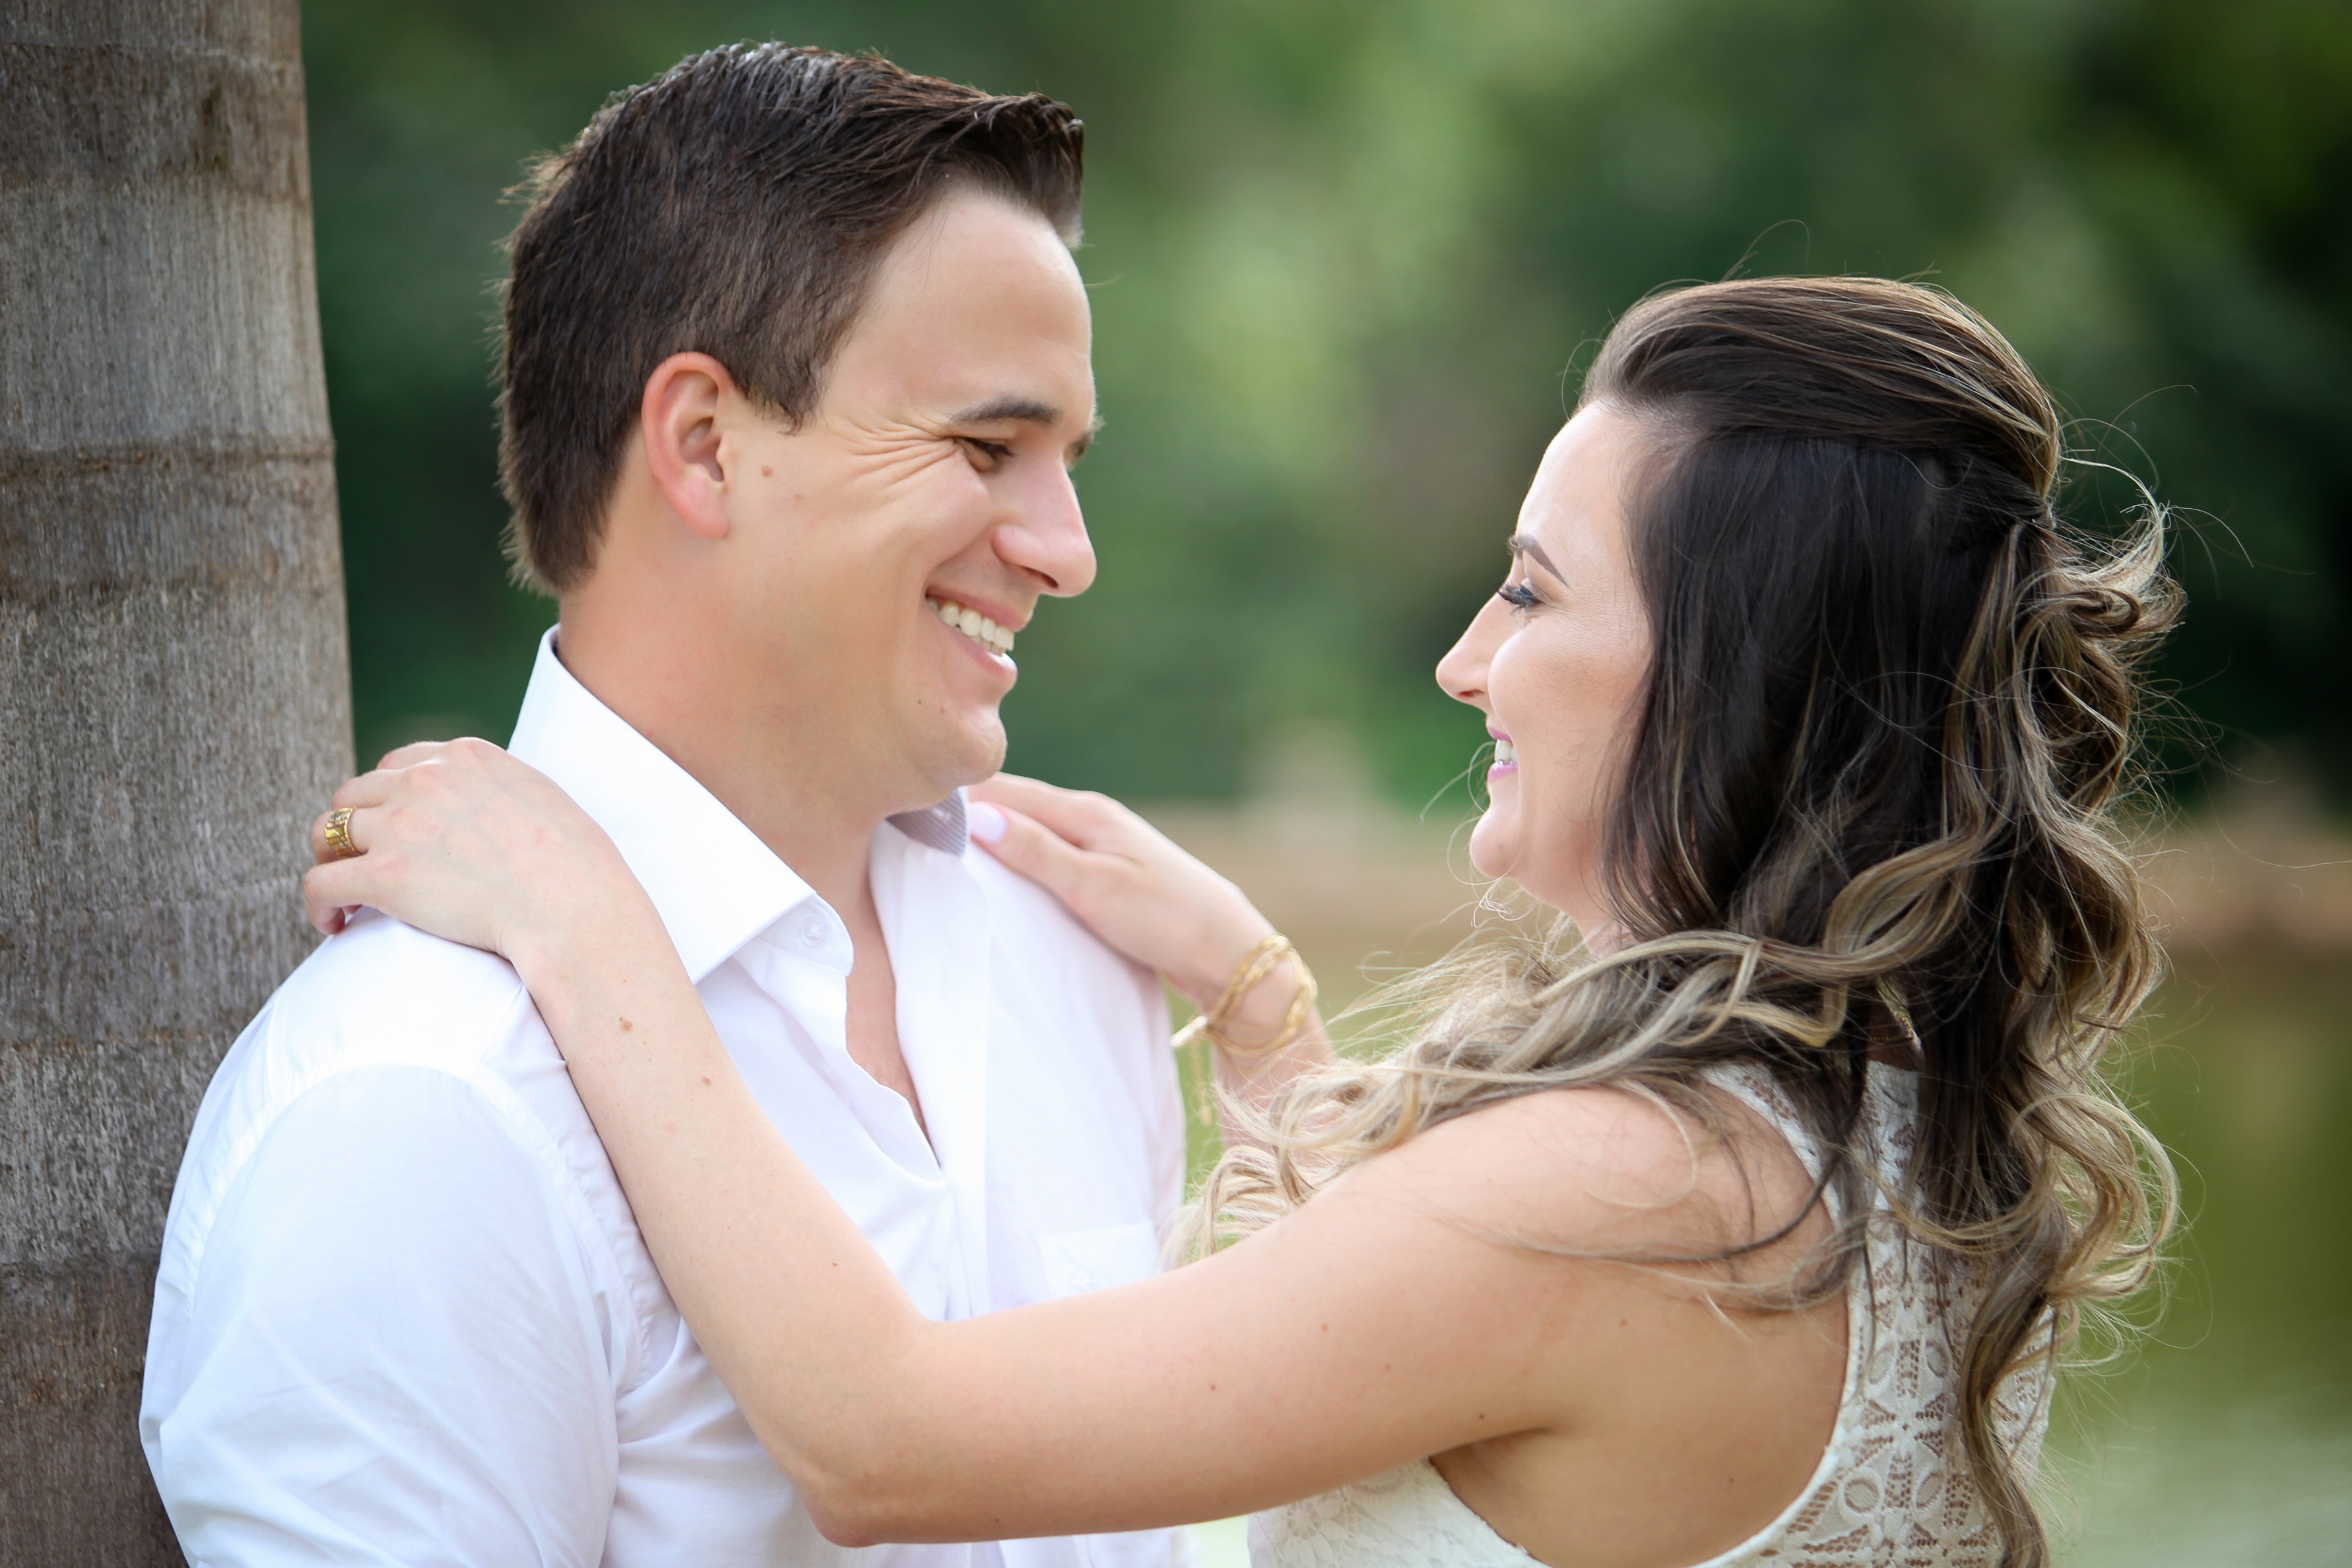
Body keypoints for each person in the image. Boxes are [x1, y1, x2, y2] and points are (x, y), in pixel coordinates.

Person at [302, 275, 2179, 1567]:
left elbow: (883, 1440)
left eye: (1530, 597)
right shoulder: (1849, 1128)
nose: (1465, 664)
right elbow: (1471, 1375)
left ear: (1727, 678)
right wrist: (1263, 1010)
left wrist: (587, 924)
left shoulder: (1631, 1194)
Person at [141, 45, 1211, 1568]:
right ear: (705, 444)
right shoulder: (421, 1103)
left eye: (1068, 460)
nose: (1067, 550)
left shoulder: (1090, 961)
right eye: (988, 446)